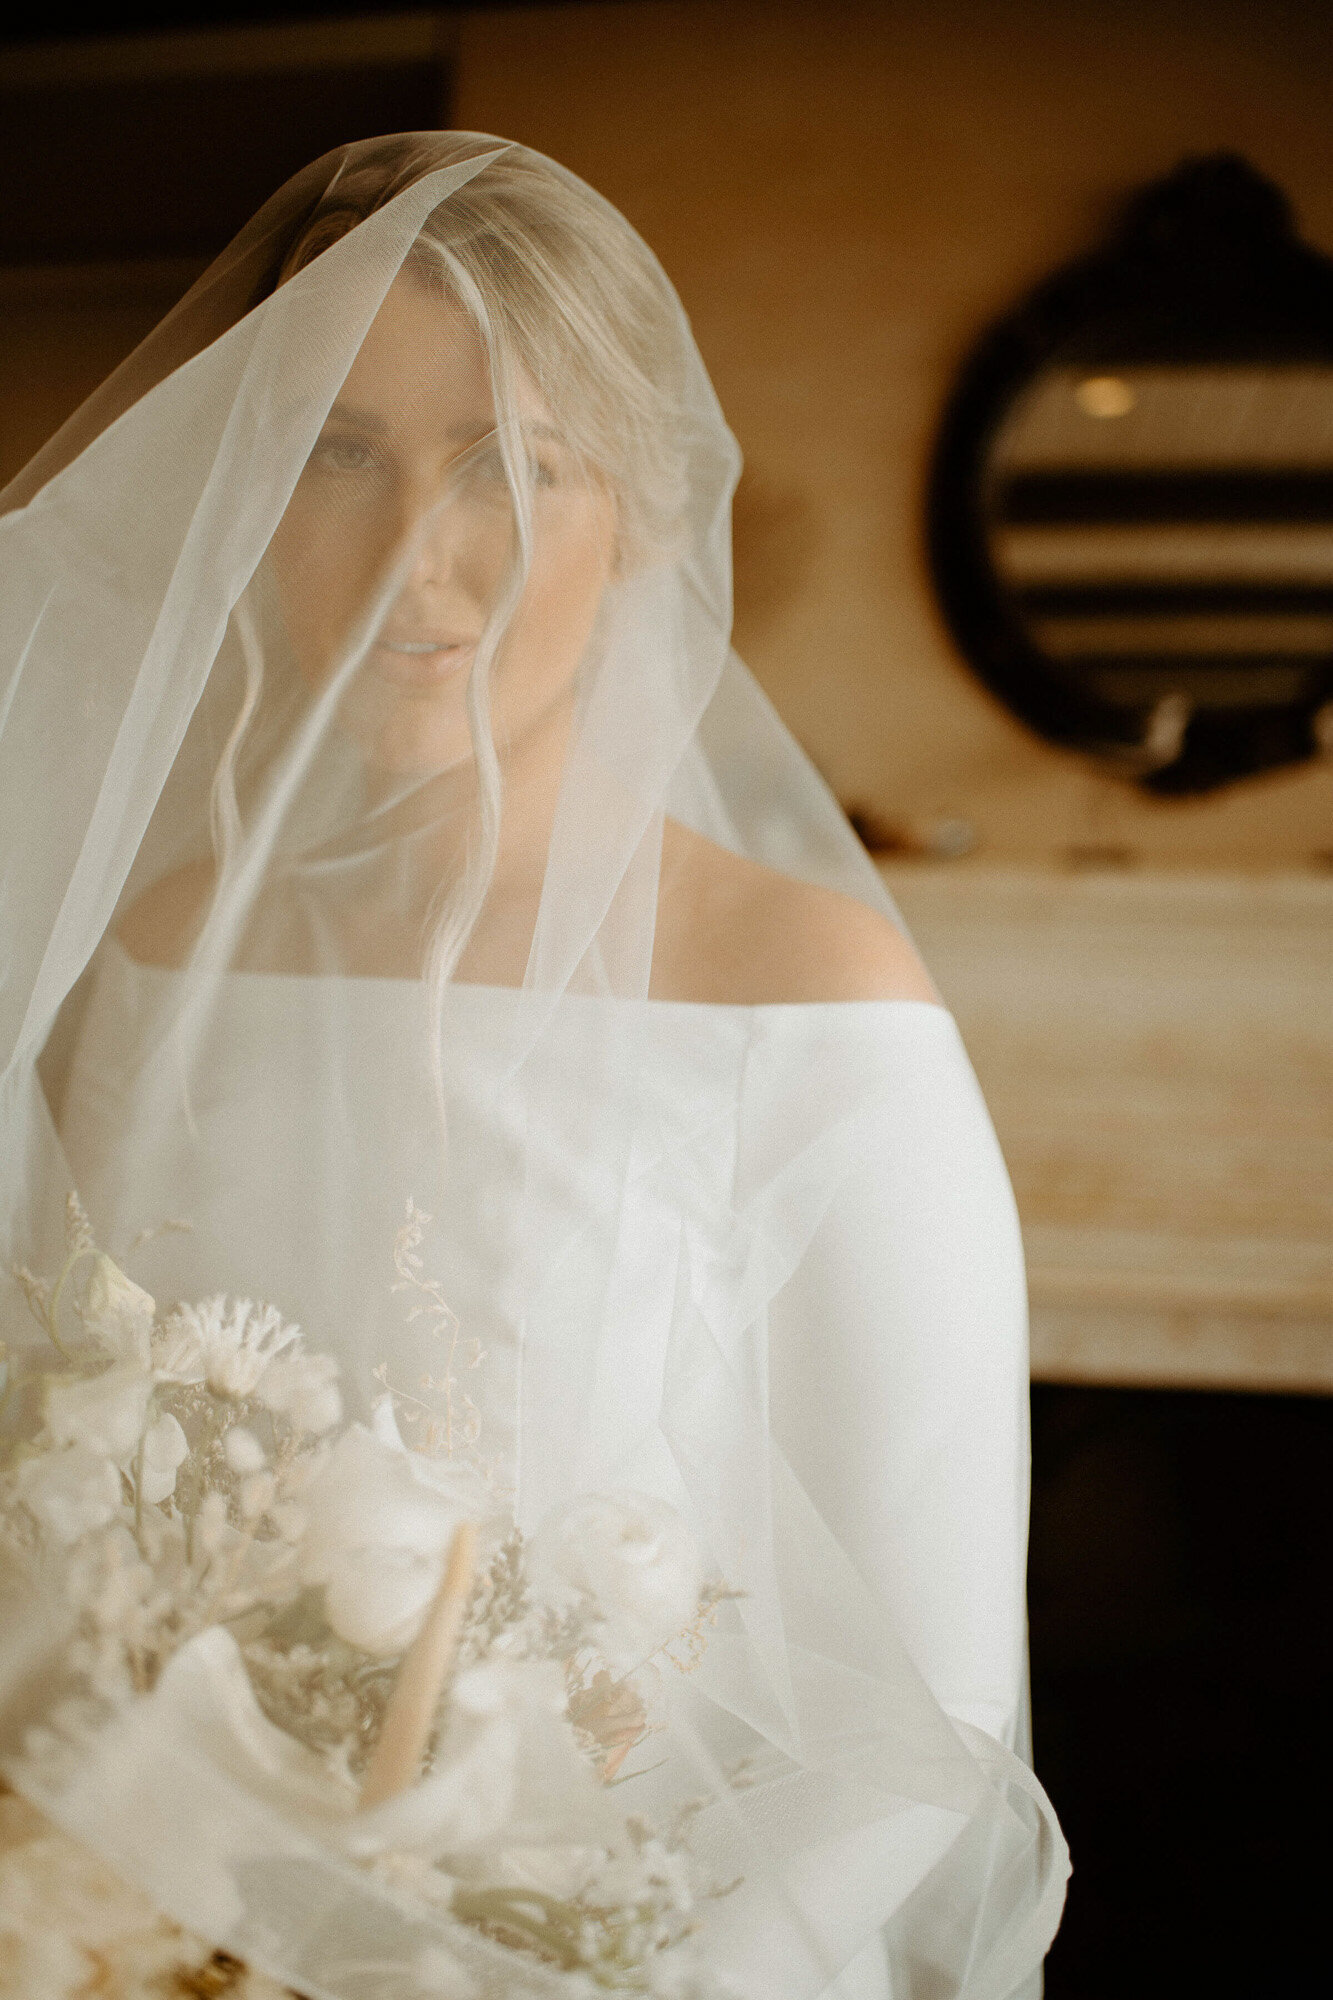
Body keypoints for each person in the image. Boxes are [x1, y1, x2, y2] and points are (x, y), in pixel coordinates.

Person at [0, 135, 1066, 1998]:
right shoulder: (153, 948)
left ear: (639, 515)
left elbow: (937, 1717)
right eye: (334, 452)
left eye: (511, 463)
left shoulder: (810, 1000)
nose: (414, 543)